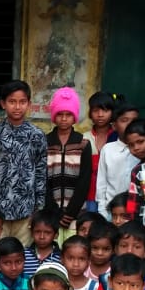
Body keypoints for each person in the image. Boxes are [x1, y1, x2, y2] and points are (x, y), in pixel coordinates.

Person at [0, 79, 48, 247]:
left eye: (22, 102)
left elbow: (41, 172)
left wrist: (38, 208)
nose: (17, 107)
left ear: (28, 104)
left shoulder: (37, 135)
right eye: (12, 102)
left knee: (21, 255)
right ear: (3, 104)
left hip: (25, 211)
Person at [45, 86, 92, 241]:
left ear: (74, 116)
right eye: (60, 114)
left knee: (74, 248)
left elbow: (84, 181)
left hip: (76, 213)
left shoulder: (83, 143)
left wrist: (71, 212)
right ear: (54, 116)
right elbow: (42, 179)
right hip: (51, 213)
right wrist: (54, 210)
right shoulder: (45, 142)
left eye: (68, 114)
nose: (64, 118)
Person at [95, 110, 141, 220]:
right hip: (111, 213)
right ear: (114, 126)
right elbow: (101, 184)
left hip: (137, 213)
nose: (130, 125)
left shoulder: (142, 151)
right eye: (124, 120)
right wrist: (103, 213)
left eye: (134, 121)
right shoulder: (107, 149)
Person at [83, 91, 117, 213]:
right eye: (96, 110)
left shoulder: (118, 138)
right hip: (89, 196)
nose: (100, 115)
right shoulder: (84, 138)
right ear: (90, 113)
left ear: (112, 112)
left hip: (112, 195)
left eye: (105, 110)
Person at [23, 209, 62, 278]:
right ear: (31, 233)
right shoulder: (23, 255)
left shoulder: (61, 257)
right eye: (37, 232)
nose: (42, 237)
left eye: (47, 232)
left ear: (56, 235)